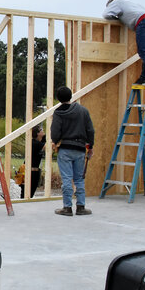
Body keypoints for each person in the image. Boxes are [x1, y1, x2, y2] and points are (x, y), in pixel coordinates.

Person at [50, 87, 95, 216]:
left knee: (67, 179)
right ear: (71, 96)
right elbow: (90, 130)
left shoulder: (58, 112)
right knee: (79, 179)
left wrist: (55, 140)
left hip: (65, 149)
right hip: (80, 149)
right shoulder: (83, 111)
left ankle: (67, 207)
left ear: (58, 98)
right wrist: (90, 147)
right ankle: (81, 207)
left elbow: (55, 132)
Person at [102, 0, 145, 85]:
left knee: (143, 52)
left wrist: (116, 18)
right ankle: (144, 77)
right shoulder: (130, 4)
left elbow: (106, 15)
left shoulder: (115, 2)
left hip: (143, 22)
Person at [18, 126, 46, 199]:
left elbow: (45, 139)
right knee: (25, 194)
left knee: (30, 194)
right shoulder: (34, 143)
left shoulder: (39, 142)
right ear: (37, 133)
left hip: (33, 171)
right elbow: (48, 146)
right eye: (41, 130)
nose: (43, 131)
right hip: (28, 171)